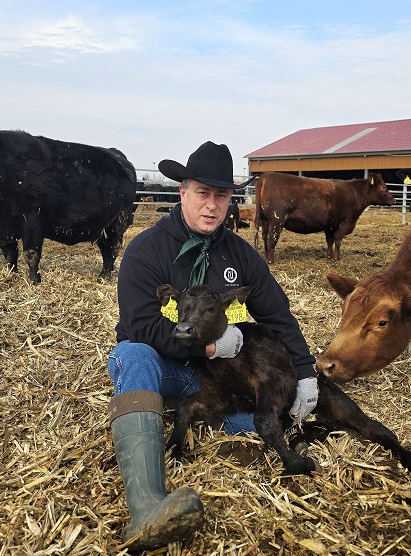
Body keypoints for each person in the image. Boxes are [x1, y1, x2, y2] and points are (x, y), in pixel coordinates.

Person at [107, 141, 319, 549]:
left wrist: (307, 372)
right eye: (202, 193)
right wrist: (207, 348)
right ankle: (146, 505)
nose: (212, 205)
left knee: (275, 421)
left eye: (221, 195)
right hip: (166, 371)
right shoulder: (146, 250)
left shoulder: (240, 253)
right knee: (132, 354)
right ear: (182, 192)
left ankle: (213, 418)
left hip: (218, 384)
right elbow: (141, 326)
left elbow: (277, 315)